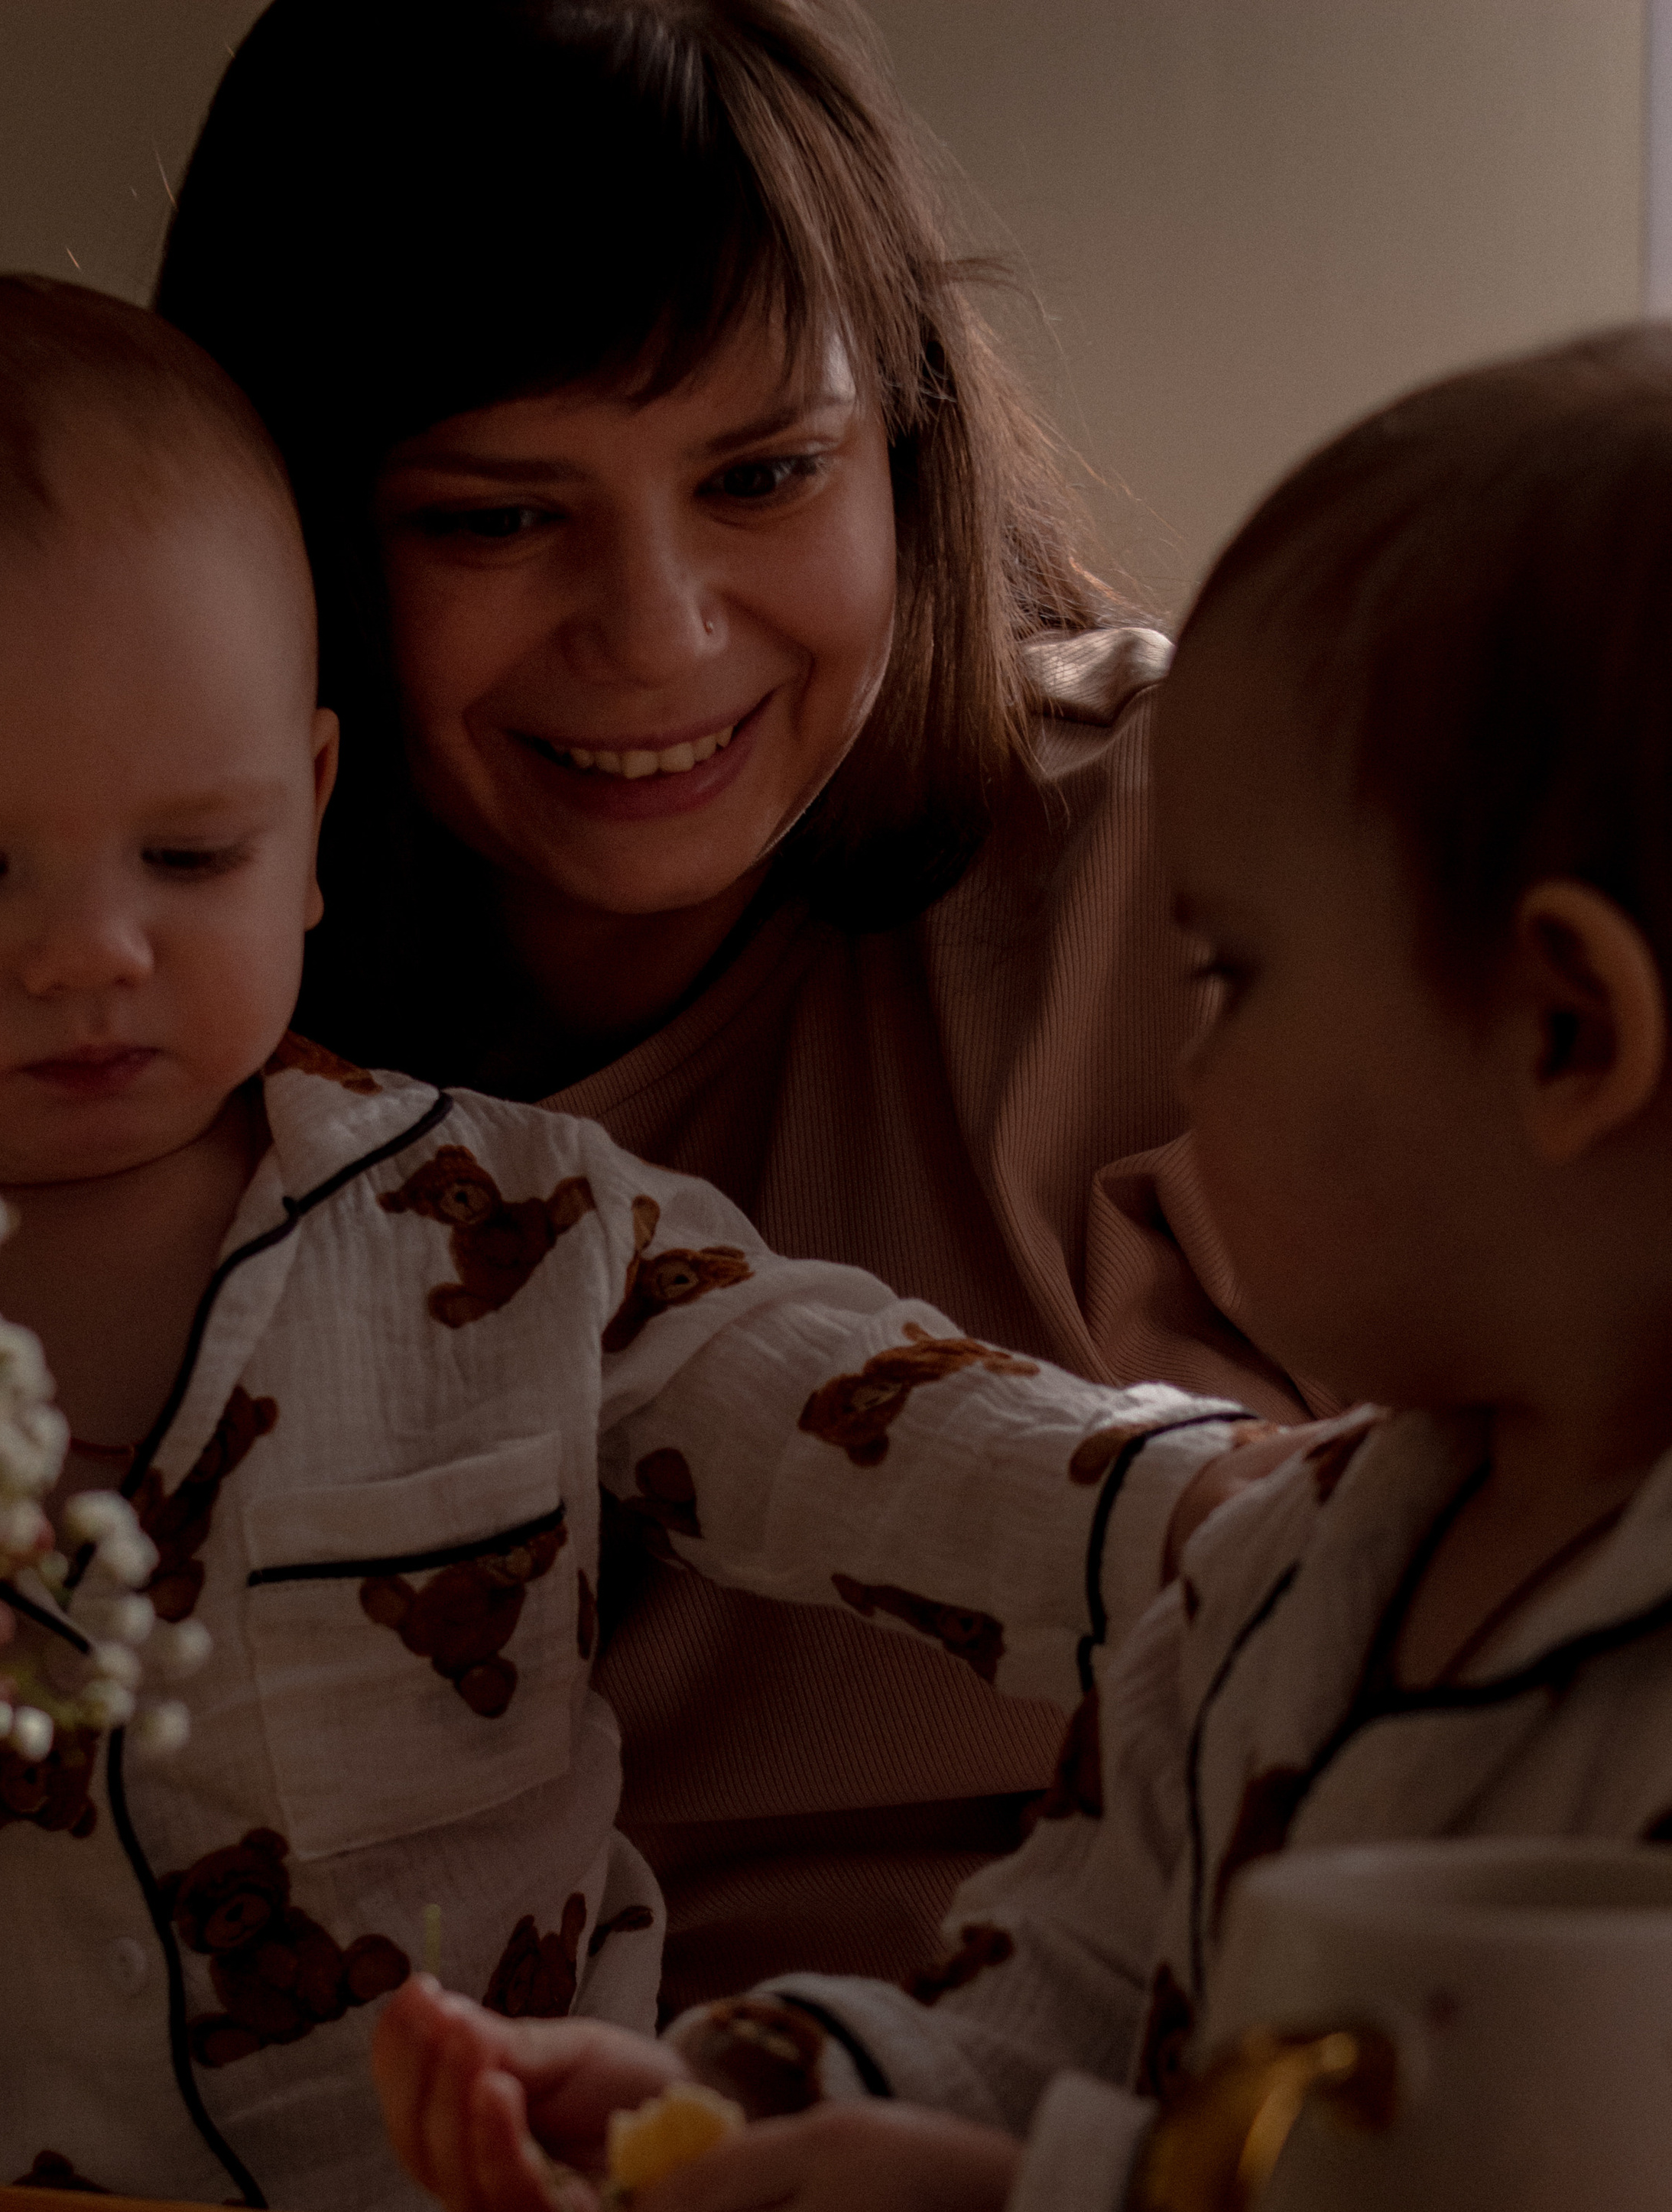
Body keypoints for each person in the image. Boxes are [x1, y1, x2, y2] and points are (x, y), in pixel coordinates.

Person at [0, 274, 1249, 2212]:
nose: (93, 953)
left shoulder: (503, 1225)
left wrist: (1240, 1519)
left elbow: (870, 1425)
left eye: (193, 857)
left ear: (313, 816)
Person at [376, 320, 1672, 2212]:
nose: (1180, 1060)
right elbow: (1056, 1995)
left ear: (1567, 1034)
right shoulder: (1284, 1571)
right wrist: (751, 2120)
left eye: (1231, 974)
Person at [152, 0, 1314, 2015]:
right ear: (291, 536)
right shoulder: (92, 1026)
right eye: (497, 518)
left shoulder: (1204, 864)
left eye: (767, 475)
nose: (662, 633)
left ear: (907, 443)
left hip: (1103, 2174)